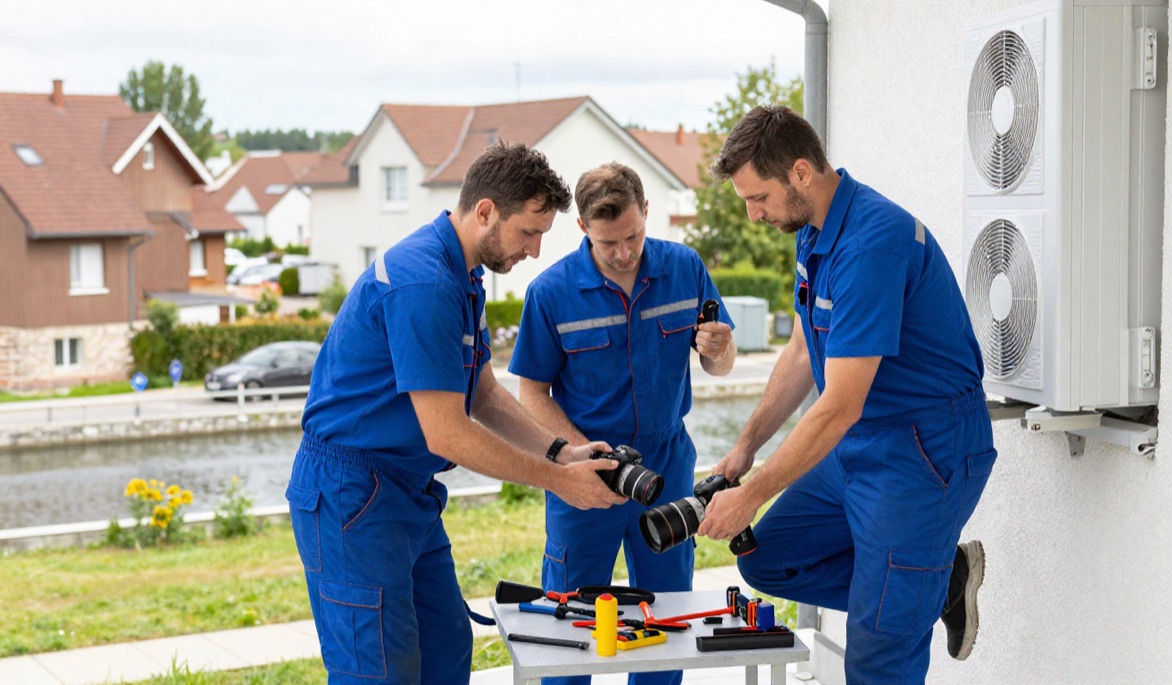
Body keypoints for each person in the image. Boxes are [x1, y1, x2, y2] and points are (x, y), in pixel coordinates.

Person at [286, 142, 626, 685]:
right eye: (529, 232)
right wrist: (560, 481)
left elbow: (484, 394)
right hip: (353, 495)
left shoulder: (464, 275)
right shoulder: (424, 281)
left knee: (446, 647)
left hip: (406, 490)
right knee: (379, 670)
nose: (536, 251)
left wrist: (562, 450)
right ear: (486, 211)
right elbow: (447, 433)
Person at [696, 105, 995, 685]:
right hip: (864, 443)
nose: (754, 215)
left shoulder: (871, 244)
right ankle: (936, 580)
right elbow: (806, 350)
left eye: (758, 198)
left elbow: (837, 404)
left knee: (876, 656)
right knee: (767, 557)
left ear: (801, 172)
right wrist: (745, 449)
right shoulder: (813, 231)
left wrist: (751, 494)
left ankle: (908, 594)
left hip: (924, 452)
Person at [508, 162, 736, 685]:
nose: (624, 252)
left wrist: (718, 351)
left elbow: (718, 362)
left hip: (668, 465)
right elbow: (531, 394)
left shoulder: (685, 268)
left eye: (633, 235)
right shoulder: (550, 293)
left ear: (647, 213)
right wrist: (581, 458)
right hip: (584, 473)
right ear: (584, 228)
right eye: (609, 241)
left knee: (667, 617)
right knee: (571, 627)